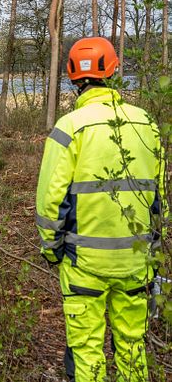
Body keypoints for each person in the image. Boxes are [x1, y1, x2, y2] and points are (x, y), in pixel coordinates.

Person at [35, 37, 167, 382]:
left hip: (83, 262)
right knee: (132, 343)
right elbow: (159, 197)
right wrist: (155, 246)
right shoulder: (147, 125)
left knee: (86, 347)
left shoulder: (69, 128)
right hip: (136, 259)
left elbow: (50, 198)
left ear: (72, 76)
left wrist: (51, 249)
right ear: (113, 71)